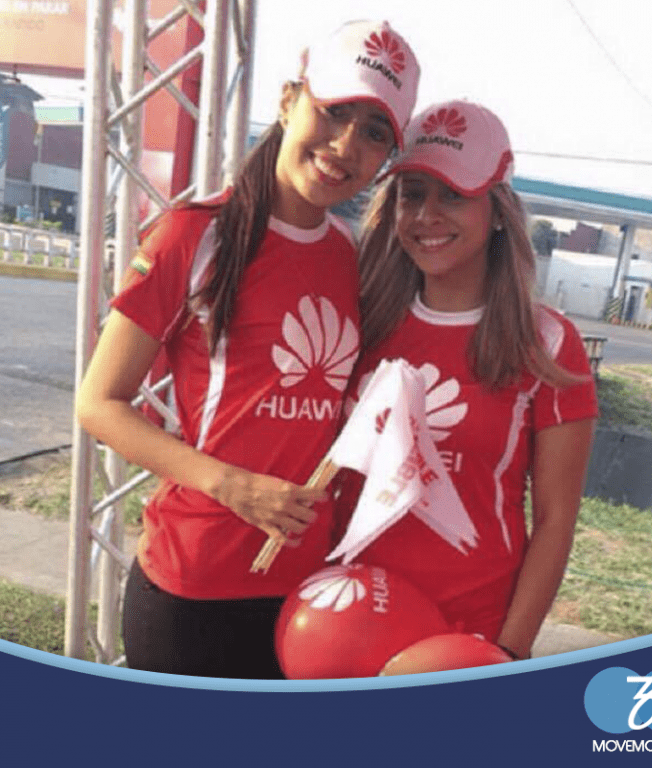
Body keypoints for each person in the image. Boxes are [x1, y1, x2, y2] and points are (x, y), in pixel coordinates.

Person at [75, 20, 420, 679]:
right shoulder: (195, 235)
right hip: (190, 589)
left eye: (375, 132)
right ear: (290, 100)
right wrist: (233, 487)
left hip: (306, 597)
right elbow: (99, 403)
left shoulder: (353, 257)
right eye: (334, 110)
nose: (346, 145)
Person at [335, 100, 598, 663]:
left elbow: (555, 521)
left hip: (465, 633)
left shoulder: (549, 342)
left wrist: (506, 651)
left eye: (453, 195)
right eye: (412, 195)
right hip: (342, 623)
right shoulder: (360, 315)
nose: (426, 216)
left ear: (498, 211)